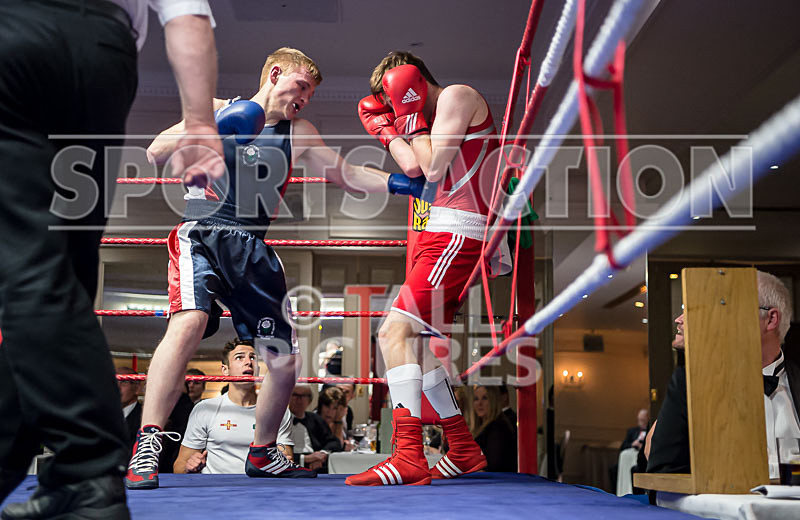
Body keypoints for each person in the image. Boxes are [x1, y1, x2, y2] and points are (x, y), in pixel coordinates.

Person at [126, 47, 426, 489]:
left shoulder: (298, 132)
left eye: (311, 92)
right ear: (275, 73)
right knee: (188, 323)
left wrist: (401, 183)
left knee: (284, 361)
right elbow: (154, 152)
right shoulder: (214, 107)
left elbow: (344, 173)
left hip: (253, 247)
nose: (305, 97)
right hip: (203, 232)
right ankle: (147, 442)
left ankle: (263, 452)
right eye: (301, 86)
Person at [0, 1, 222, 517]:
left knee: (27, 262)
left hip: (15, 33)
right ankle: (25, 459)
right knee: (66, 270)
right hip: (101, 55)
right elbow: (186, 13)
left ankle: (89, 471)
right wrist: (197, 119)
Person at [347, 51, 501, 486]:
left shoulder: (457, 95)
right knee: (412, 345)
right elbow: (415, 165)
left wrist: (408, 118)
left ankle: (408, 455)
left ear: (414, 83)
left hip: (457, 232)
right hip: (442, 233)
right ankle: (464, 447)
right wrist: (390, 129)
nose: (396, 111)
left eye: (397, 99)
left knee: (391, 333)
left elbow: (431, 167)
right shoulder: (425, 124)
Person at [646, 271, 799, 480]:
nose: (714, 318)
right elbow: (662, 474)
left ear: (770, 319)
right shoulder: (690, 385)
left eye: (724, 307)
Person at [174, 340, 294, 474]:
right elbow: (179, 466)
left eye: (252, 357)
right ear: (225, 370)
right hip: (216, 490)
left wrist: (284, 460)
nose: (248, 362)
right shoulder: (205, 409)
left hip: (260, 489)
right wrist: (189, 466)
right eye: (239, 357)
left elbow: (286, 456)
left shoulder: (277, 411)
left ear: (258, 370)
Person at [289, 385, 342, 471]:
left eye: (303, 396)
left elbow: (334, 442)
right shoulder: (278, 421)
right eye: (295, 395)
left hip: (317, 466)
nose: (298, 399)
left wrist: (321, 454)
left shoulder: (316, 419)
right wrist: (304, 459)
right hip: (289, 466)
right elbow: (273, 452)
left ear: (309, 400)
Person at [467, 385, 517, 473]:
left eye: (485, 398)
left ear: (493, 401)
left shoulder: (498, 427)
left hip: (498, 483)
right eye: (476, 399)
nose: (479, 403)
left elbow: (494, 466)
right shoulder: (482, 426)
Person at [117, 367, 143, 453]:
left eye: (123, 382)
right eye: (113, 381)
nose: (117, 387)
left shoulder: (144, 420)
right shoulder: (98, 416)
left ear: (137, 388)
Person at [317, 386, 351, 451]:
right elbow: (336, 448)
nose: (329, 411)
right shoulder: (313, 421)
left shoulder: (340, 420)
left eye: (335, 408)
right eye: (327, 406)